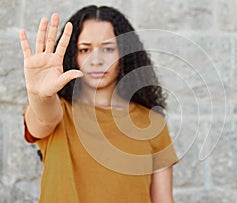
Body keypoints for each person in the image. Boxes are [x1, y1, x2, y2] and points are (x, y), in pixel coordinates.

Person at [19, 5, 178, 203]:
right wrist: (39, 95)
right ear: (73, 56)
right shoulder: (59, 111)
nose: (96, 60)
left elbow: (163, 200)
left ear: (125, 54)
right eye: (85, 49)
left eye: (108, 49)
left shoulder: (152, 122)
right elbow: (43, 116)